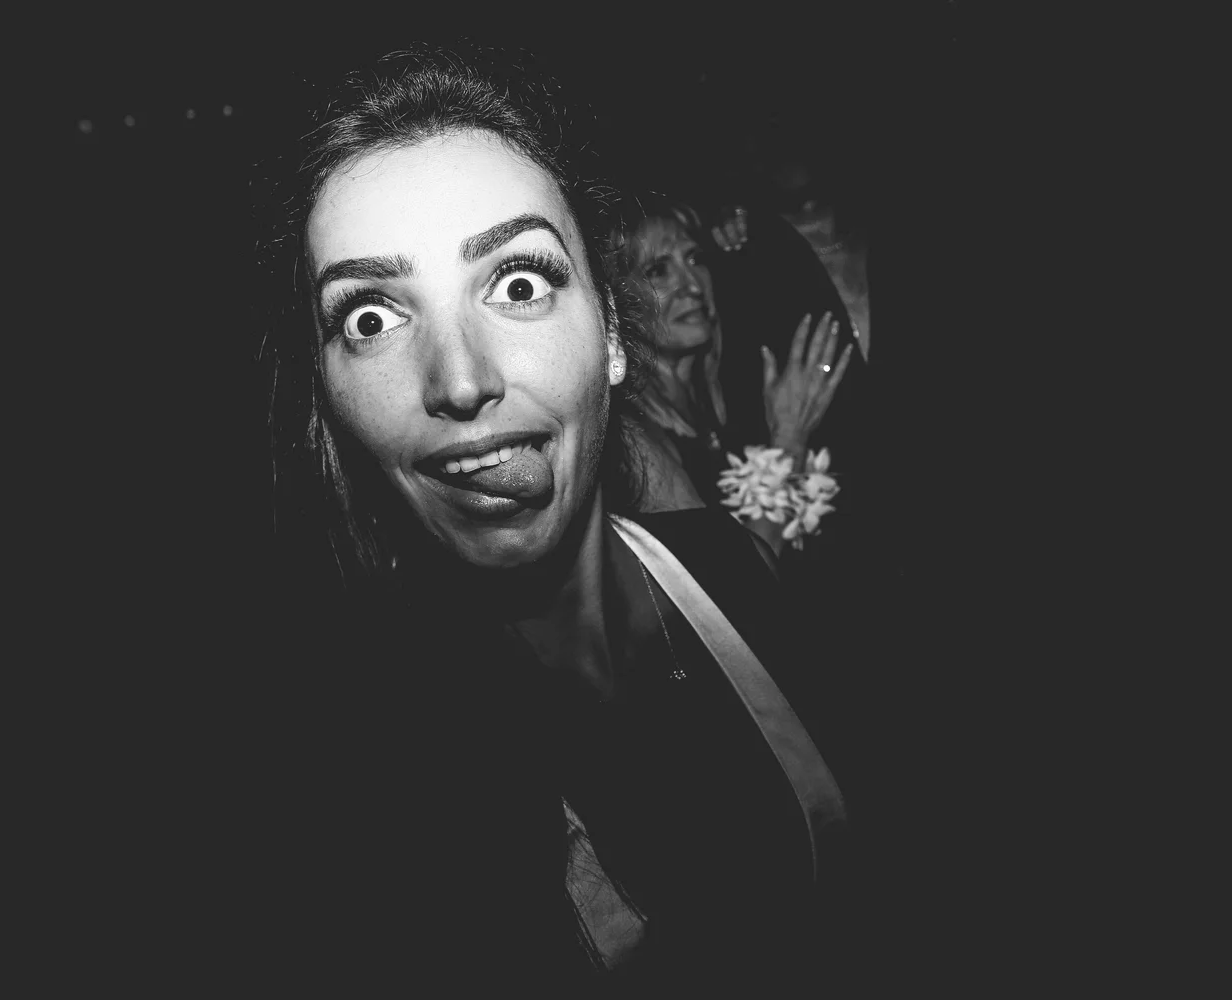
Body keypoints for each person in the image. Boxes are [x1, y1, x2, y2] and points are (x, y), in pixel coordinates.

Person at [255, 46, 855, 992]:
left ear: (613, 334)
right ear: (328, 395)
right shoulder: (352, 781)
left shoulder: (727, 571)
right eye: (371, 317)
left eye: (519, 283)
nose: (460, 379)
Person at [618, 197, 853, 558]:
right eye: (658, 270)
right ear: (619, 302)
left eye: (695, 259)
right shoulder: (635, 445)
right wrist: (789, 439)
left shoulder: (730, 388)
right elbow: (737, 579)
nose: (693, 285)